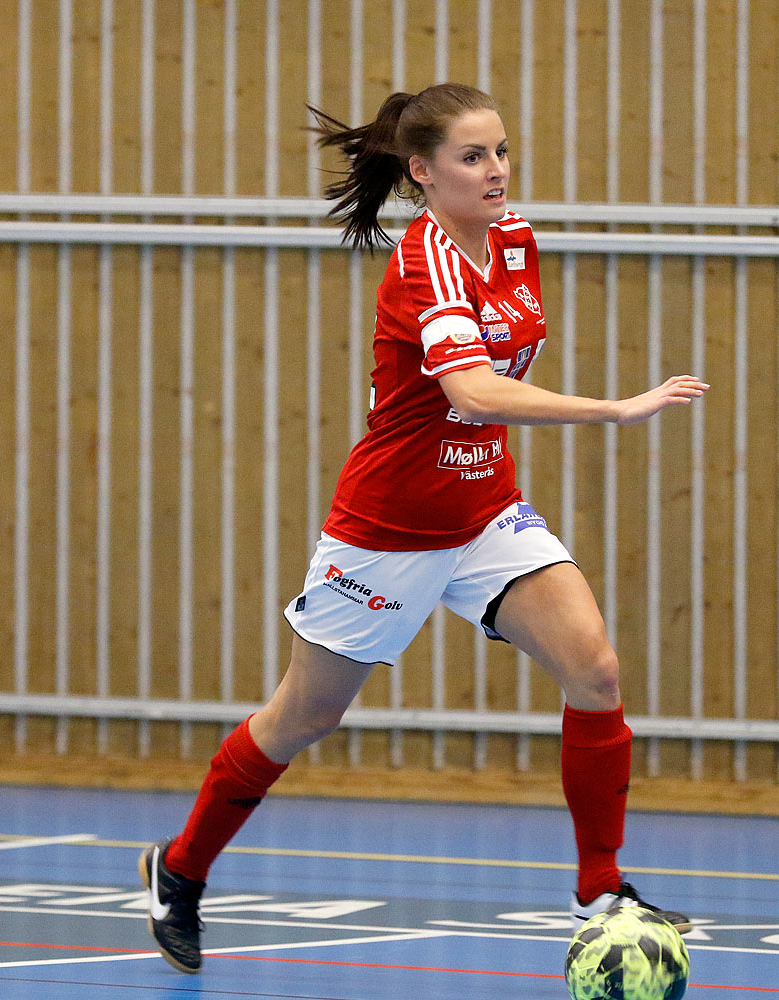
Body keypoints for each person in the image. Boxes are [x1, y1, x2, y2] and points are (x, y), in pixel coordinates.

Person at [140, 82, 708, 975]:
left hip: (486, 513)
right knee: (303, 717)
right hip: (387, 530)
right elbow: (472, 391)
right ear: (422, 171)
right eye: (473, 157)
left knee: (594, 666)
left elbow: (489, 391)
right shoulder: (422, 262)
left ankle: (599, 888)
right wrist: (612, 410)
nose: (497, 171)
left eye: (503, 152)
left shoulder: (514, 239)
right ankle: (182, 868)